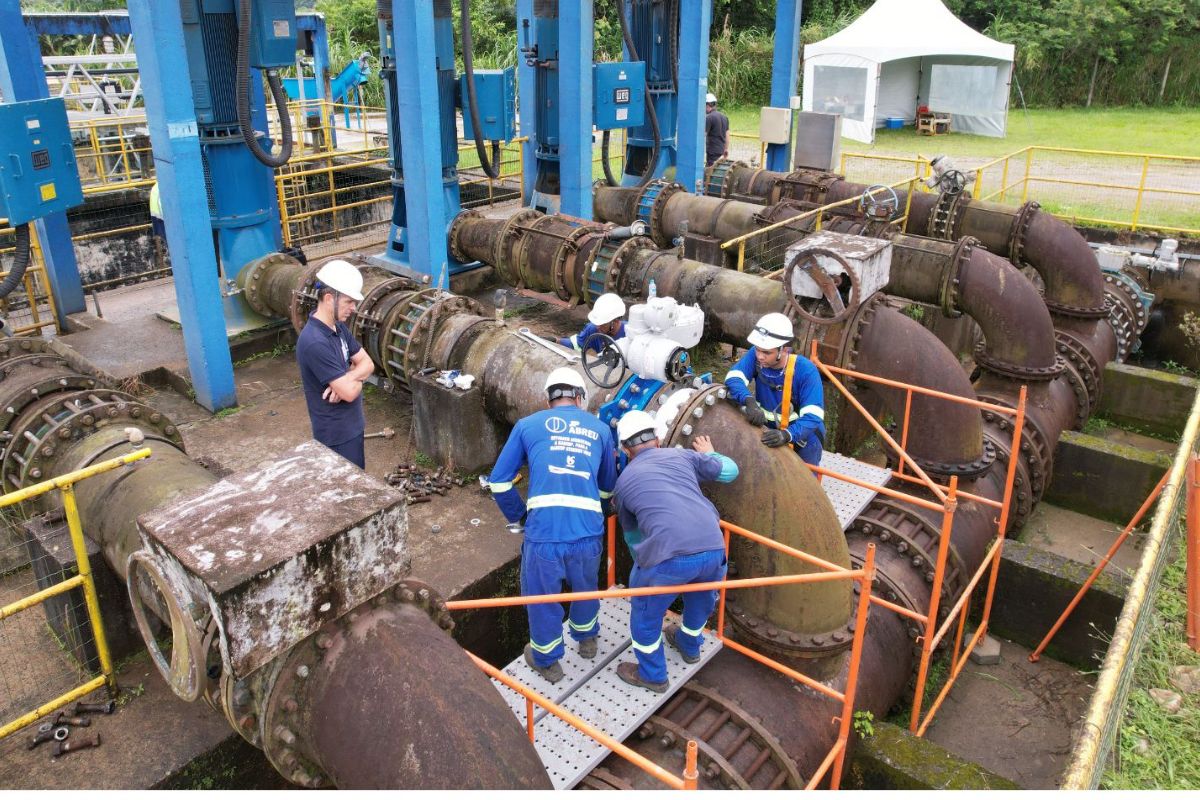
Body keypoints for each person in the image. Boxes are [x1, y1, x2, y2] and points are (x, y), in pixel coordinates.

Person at [488, 367, 618, 683]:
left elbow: (499, 483)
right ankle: (587, 639)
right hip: (587, 531)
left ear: (549, 400)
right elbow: (607, 487)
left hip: (544, 533)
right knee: (586, 585)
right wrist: (592, 513)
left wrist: (519, 517)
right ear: (578, 397)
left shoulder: (526, 426)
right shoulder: (600, 430)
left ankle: (547, 661)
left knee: (542, 597)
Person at [611, 410, 738, 693]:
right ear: (657, 439)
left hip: (667, 557)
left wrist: (647, 576)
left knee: (645, 614)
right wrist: (711, 454)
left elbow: (633, 539)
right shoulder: (682, 457)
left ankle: (653, 675)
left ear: (624, 449)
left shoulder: (624, 483)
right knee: (702, 600)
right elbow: (731, 471)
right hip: (713, 547)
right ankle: (689, 646)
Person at [295, 259, 375, 468]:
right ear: (330, 298)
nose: (354, 308)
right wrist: (356, 375)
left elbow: (368, 364)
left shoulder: (338, 328)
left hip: (352, 426)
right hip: (336, 436)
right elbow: (349, 393)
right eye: (349, 301)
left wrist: (349, 376)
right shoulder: (315, 342)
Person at [724, 312, 825, 466]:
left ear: (785, 349)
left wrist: (787, 435)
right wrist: (748, 400)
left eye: (766, 352)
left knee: (804, 485)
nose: (760, 356)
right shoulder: (757, 355)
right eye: (757, 349)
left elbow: (813, 416)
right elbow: (733, 377)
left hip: (803, 439)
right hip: (769, 432)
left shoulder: (806, 371)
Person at [559, 293, 626, 354]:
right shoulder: (592, 328)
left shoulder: (629, 334)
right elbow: (576, 343)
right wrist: (557, 341)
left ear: (616, 321)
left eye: (603, 324)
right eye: (597, 323)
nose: (598, 327)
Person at [704, 93, 730, 167]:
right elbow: (727, 136)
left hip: (712, 153)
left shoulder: (709, 118)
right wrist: (726, 149)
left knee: (710, 173)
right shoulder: (724, 117)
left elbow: (703, 134)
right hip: (721, 151)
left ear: (708, 105)